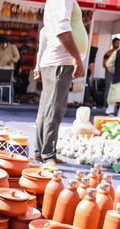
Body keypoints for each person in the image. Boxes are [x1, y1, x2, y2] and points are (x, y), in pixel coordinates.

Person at [34, 0, 87, 170]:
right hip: (61, 61)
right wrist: (77, 58)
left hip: (58, 61)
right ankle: (48, 156)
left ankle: (42, 153)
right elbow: (63, 30)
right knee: (55, 108)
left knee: (48, 108)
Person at [102, 37, 120, 108]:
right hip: (109, 73)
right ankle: (106, 105)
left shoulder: (119, 53)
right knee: (108, 89)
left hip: (117, 74)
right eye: (116, 43)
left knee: (115, 89)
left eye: (118, 43)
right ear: (113, 43)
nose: (118, 44)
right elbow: (104, 64)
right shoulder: (108, 53)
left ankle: (113, 106)